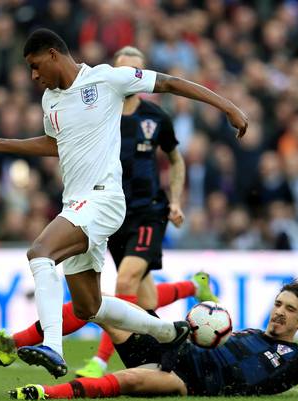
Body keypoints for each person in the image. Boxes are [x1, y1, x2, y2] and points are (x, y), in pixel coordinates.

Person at [0, 29, 248, 378]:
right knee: (89, 306)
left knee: (40, 253)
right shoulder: (50, 100)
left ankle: (52, 346)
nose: (33, 76)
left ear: (53, 54)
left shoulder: (107, 79)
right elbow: (56, 145)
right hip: (76, 205)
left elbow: (171, 83)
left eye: (35, 66)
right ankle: (170, 333)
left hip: (104, 199)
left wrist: (229, 107)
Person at [0, 281, 298, 401]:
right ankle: (14, 345)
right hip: (175, 346)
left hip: (190, 381)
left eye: (288, 309)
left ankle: (43, 394)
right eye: (277, 304)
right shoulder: (247, 332)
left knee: (130, 381)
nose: (278, 312)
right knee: (98, 305)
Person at [75, 46, 217, 378]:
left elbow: (176, 159)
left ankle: (100, 360)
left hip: (149, 212)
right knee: (144, 296)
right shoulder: (99, 116)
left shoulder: (156, 118)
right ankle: (194, 286)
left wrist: (176, 201)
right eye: (126, 71)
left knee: (124, 280)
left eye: (138, 72)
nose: (132, 78)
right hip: (113, 216)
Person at [0, 272, 214, 367]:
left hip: (157, 353)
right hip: (164, 350)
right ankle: (194, 286)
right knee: (137, 297)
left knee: (96, 302)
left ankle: (12, 344)